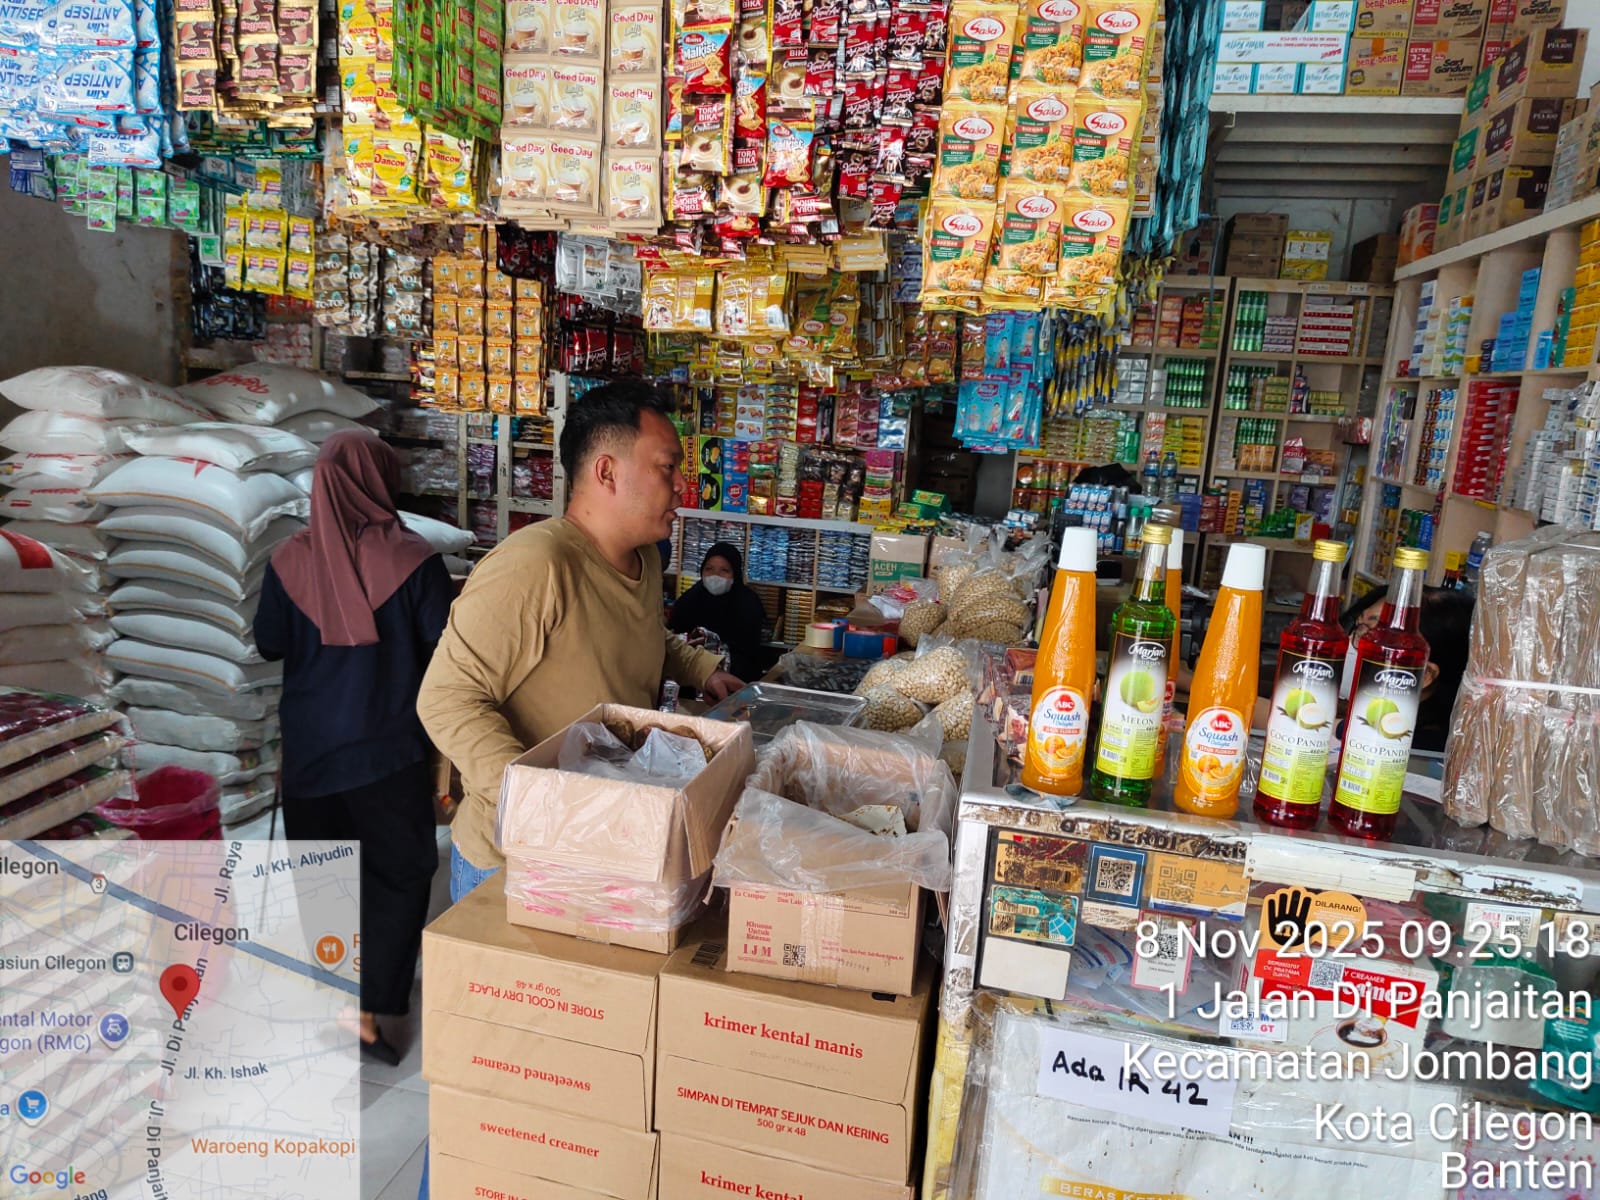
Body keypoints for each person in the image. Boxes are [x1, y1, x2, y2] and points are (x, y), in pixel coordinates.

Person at [417, 380, 744, 900]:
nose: (684, 484)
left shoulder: (644, 557)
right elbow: (446, 699)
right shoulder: (535, 564)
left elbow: (639, 633)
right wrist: (537, 801)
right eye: (668, 467)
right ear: (607, 472)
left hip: (603, 839)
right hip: (518, 860)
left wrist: (700, 667)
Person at [253, 431, 454, 1066]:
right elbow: (448, 651)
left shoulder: (288, 560)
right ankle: (371, 1013)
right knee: (398, 875)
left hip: (310, 754)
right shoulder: (415, 561)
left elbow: (268, 642)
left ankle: (341, 1004)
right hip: (387, 754)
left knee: (325, 877)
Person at [1338, 583, 1475, 753]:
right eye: (1359, 627)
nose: (1351, 642)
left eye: (1371, 635)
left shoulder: (1394, 747)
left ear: (1425, 674)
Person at [669, 541, 767, 682]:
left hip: (736, 679)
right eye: (709, 569)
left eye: (724, 570)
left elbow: (750, 653)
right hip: (691, 678)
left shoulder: (748, 605)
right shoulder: (689, 600)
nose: (715, 575)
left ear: (735, 574)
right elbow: (675, 640)